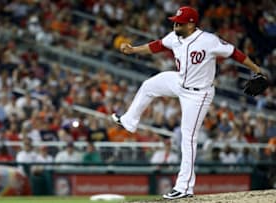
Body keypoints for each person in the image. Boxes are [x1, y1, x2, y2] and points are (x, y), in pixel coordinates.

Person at [111, 6, 265, 200]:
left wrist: (256, 69)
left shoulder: (209, 40)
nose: (175, 24)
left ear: (191, 23)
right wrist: (134, 50)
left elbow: (234, 52)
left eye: (179, 22)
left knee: (188, 138)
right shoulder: (175, 36)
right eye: (175, 21)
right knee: (149, 85)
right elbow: (157, 45)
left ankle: (184, 187)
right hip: (179, 82)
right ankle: (129, 121)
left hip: (198, 94)